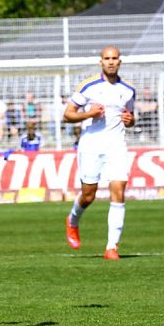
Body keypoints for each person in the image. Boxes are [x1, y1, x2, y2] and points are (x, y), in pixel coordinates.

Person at [63, 46, 136, 260]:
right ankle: (73, 220)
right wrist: (89, 113)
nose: (111, 62)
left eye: (114, 58)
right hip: (92, 145)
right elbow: (67, 115)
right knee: (88, 195)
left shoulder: (128, 89)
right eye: (107, 58)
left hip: (117, 145)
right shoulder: (89, 86)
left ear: (120, 62)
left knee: (119, 191)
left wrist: (131, 121)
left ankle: (112, 247)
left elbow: (130, 117)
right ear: (101, 62)